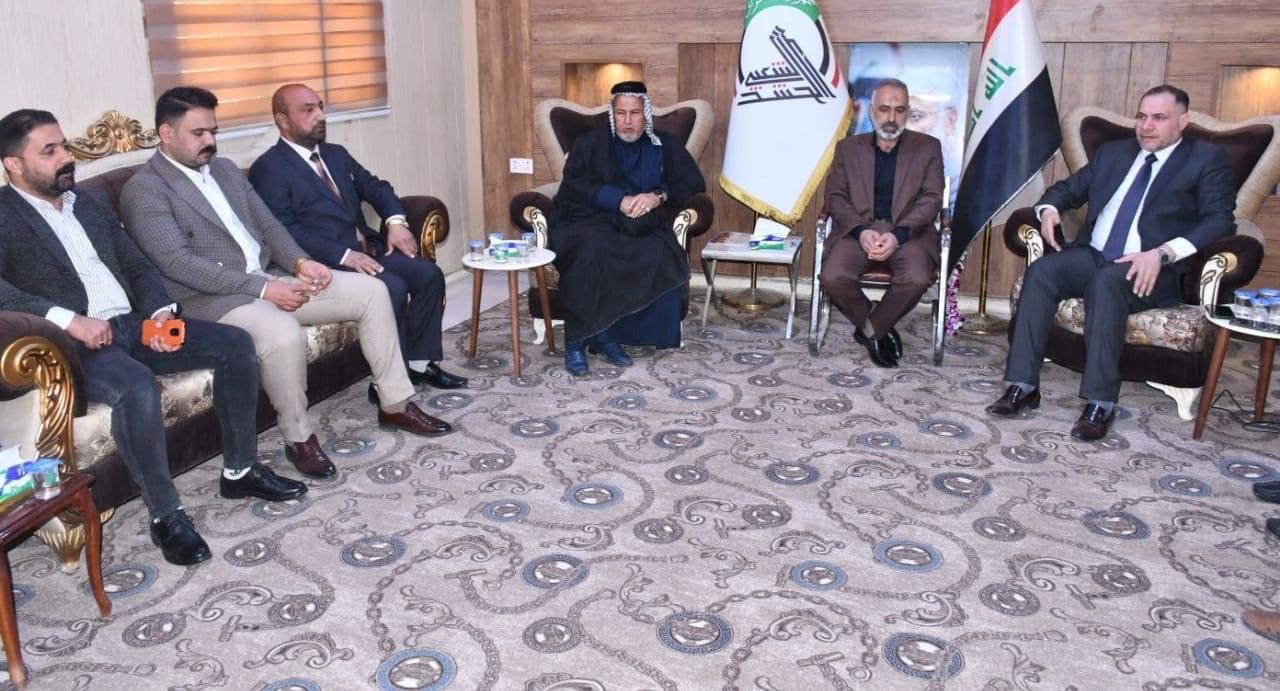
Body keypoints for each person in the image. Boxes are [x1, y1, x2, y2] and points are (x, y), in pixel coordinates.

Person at [0, 109, 307, 566]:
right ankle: (167, 516)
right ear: (14, 164)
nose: (66, 157)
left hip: (134, 324)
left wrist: (161, 314)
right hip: (76, 345)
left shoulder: (87, 202)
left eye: (64, 145)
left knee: (234, 345)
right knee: (135, 386)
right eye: (50, 151)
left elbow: (137, 264)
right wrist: (69, 321)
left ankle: (240, 469)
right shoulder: (5, 216)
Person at [119, 87, 453, 483]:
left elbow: (270, 226)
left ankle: (395, 402)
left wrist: (301, 263)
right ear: (166, 134)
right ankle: (299, 438)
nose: (210, 141)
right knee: (282, 334)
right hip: (212, 299)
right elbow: (178, 264)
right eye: (199, 133)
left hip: (269, 276)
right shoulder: (145, 190)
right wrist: (264, 289)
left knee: (371, 292)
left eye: (213, 131)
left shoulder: (224, 171)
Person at [987, 85, 1236, 440]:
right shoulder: (1114, 153)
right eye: (1142, 116)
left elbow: (1220, 220)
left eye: (1159, 118)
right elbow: (1067, 189)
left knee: (1106, 284)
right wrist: (1050, 209)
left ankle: (1100, 402)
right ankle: (1023, 385)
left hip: (1151, 266)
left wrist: (1162, 253)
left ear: (1183, 121)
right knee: (1042, 271)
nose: (1146, 126)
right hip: (1095, 254)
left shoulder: (1206, 159)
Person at [248, 84, 466, 400]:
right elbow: (284, 231)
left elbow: (377, 187)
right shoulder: (269, 169)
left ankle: (419, 364)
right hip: (327, 262)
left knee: (427, 274)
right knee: (392, 286)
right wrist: (344, 254)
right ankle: (386, 381)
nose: (320, 115)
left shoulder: (335, 154)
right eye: (308, 110)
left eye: (320, 107)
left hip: (370, 250)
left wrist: (396, 222)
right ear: (282, 120)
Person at [550, 80, 706, 376]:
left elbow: (692, 181)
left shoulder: (662, 145)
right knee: (591, 249)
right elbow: (575, 186)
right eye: (621, 113)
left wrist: (657, 196)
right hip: (586, 219)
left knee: (658, 251)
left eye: (634, 113)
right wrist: (617, 200)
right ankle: (576, 342)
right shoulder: (590, 143)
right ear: (613, 114)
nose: (627, 121)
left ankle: (605, 335)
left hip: (638, 224)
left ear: (645, 114)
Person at [819, 78, 944, 368]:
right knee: (832, 277)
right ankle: (878, 326)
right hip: (858, 230)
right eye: (884, 109)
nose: (891, 118)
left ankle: (871, 329)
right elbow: (835, 196)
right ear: (872, 111)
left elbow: (932, 198)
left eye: (899, 110)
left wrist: (898, 234)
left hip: (908, 233)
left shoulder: (927, 148)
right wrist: (861, 232)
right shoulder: (848, 148)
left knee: (917, 277)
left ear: (907, 112)